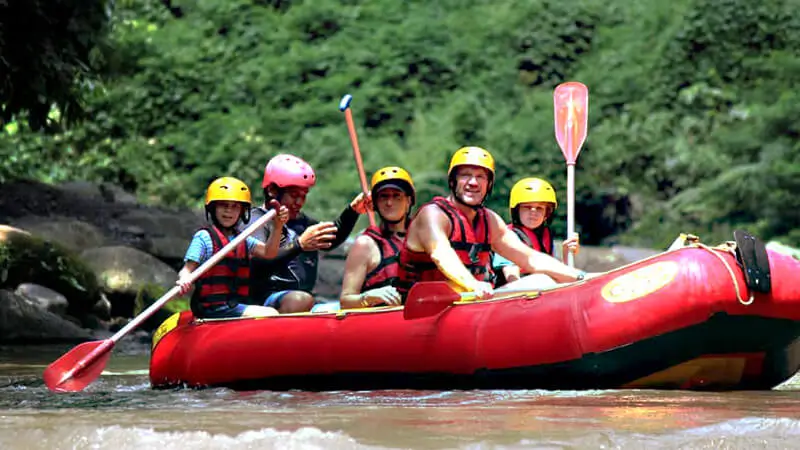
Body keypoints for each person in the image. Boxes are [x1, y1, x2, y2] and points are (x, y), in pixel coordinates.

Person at [397, 146, 586, 300]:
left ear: (488, 184)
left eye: (481, 177)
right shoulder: (432, 214)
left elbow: (529, 259)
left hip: (470, 303)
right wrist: (474, 285)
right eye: (465, 175)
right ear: (453, 181)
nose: (473, 182)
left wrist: (580, 277)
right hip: (421, 307)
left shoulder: (489, 220)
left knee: (543, 280)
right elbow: (442, 255)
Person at [244, 154, 373, 313]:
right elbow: (256, 265)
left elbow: (330, 238)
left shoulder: (301, 222)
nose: (299, 203)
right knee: (299, 300)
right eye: (294, 196)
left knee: (355, 308)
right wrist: (299, 245)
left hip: (308, 301)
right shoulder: (256, 221)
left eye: (303, 196)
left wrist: (353, 211)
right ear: (272, 190)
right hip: (266, 300)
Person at [176, 177, 288, 319]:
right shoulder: (204, 237)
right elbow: (187, 269)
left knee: (267, 311)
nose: (229, 211)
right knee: (271, 314)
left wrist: (277, 227)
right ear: (213, 208)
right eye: (223, 205)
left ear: (242, 211)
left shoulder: (242, 239)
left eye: (235, 206)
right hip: (213, 308)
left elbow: (269, 252)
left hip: (234, 306)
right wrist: (184, 279)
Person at [339, 167, 415, 309]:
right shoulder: (365, 244)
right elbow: (345, 301)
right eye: (383, 196)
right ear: (375, 203)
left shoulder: (423, 238)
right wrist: (368, 297)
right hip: (382, 321)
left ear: (409, 201)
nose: (389, 203)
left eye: (396, 196)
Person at [492, 177, 581, 287]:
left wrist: (566, 254)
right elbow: (511, 274)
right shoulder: (507, 237)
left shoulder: (546, 238)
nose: (533, 212)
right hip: (512, 293)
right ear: (516, 211)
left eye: (539, 208)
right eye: (527, 207)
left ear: (546, 214)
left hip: (538, 292)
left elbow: (561, 277)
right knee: (542, 279)